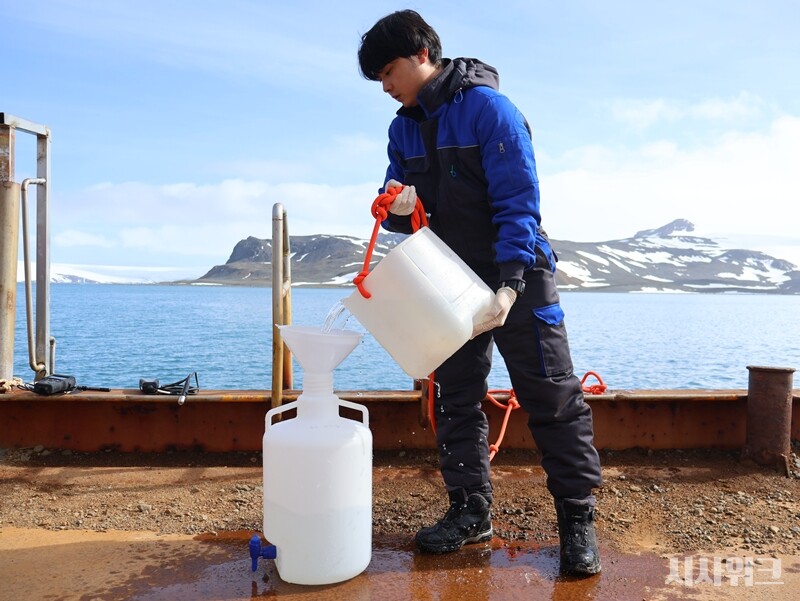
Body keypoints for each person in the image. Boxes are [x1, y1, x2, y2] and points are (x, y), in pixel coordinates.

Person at [357, 10, 603, 576]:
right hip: (449, 279)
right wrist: (398, 207)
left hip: (519, 273)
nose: (385, 87)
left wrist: (511, 286)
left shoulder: (491, 110)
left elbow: (519, 202)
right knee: (455, 396)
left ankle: (577, 519)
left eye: (388, 72)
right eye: (378, 79)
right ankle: (470, 511)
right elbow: (399, 207)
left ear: (422, 55)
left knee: (551, 395)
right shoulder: (402, 130)